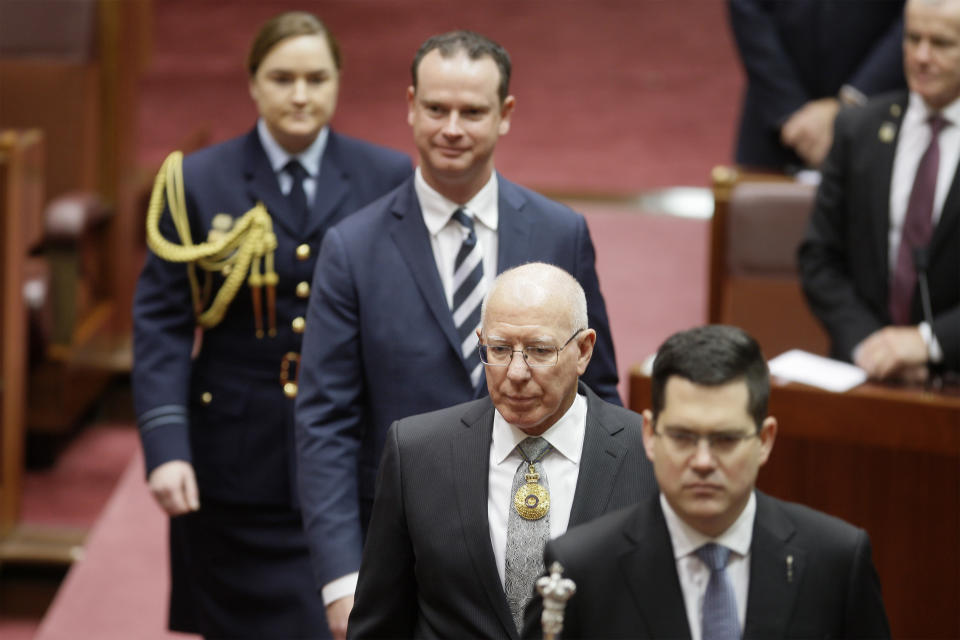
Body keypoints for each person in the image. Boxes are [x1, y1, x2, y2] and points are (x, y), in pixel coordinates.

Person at [294, 31, 621, 638]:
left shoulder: (559, 231)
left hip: (545, 536)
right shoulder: (352, 247)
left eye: (472, 112)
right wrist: (342, 581)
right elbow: (324, 424)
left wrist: (616, 549)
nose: (452, 128)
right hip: (404, 550)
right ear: (411, 106)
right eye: (437, 109)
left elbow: (600, 394)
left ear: (506, 115)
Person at [132, 11, 411, 638]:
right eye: (282, 77)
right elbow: (162, 326)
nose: (301, 94)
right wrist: (165, 447)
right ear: (253, 84)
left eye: (317, 77)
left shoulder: (387, 179)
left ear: (339, 82)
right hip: (235, 459)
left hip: (350, 452)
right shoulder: (196, 181)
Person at [345, 263, 657, 639]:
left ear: (584, 351)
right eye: (500, 349)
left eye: (540, 351)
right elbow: (379, 625)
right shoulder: (416, 452)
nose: (516, 372)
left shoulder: (647, 454)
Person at [523, 325, 890, 640]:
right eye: (682, 437)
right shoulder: (580, 569)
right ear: (649, 435)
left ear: (765, 440)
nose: (702, 462)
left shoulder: (835, 561)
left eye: (726, 440)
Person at [798, 0, 960, 382]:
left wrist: (930, 341)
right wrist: (870, 344)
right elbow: (819, 258)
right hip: (863, 374)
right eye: (912, 38)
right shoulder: (859, 128)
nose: (921, 56)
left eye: (941, 43)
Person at [728, 0, 906, 170]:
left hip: (875, 122)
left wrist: (852, 101)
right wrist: (789, 109)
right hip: (775, 122)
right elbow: (748, 8)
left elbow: (915, 16)